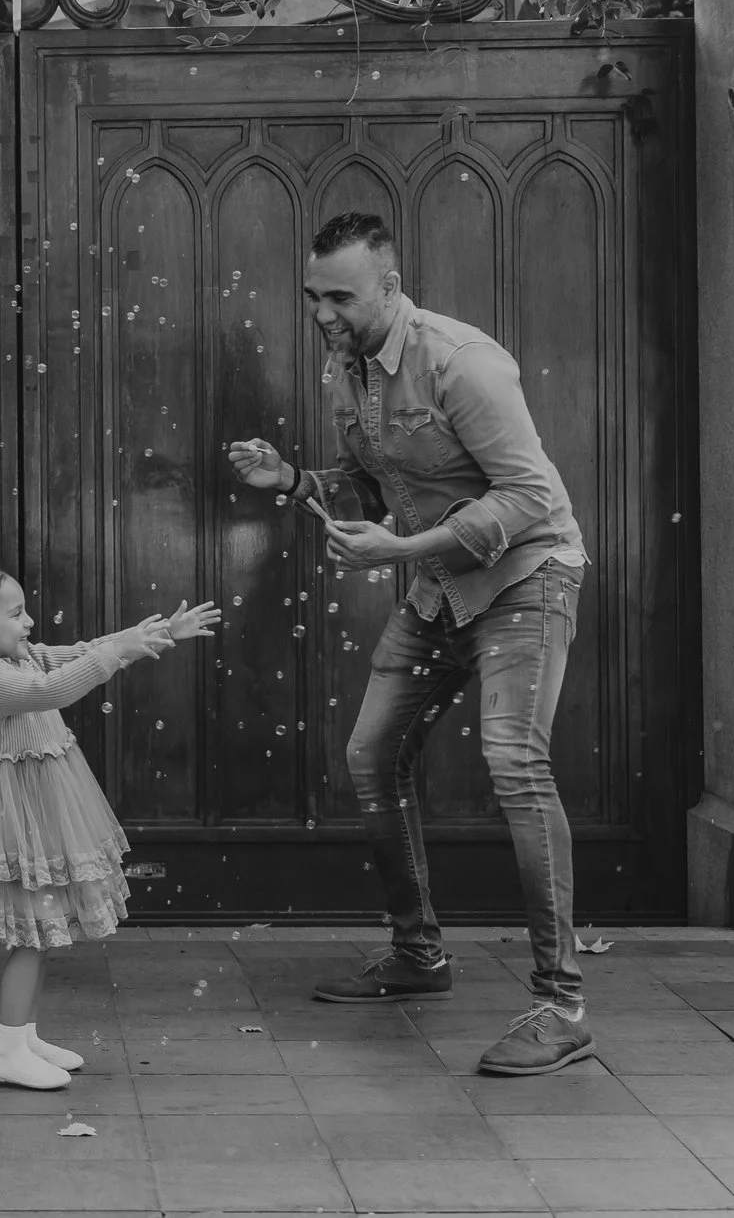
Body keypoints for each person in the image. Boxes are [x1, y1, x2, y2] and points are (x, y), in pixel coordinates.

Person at [224, 211, 595, 1077]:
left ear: (389, 287)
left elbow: (529, 499)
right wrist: (293, 480)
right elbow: (374, 482)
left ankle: (562, 1004)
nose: (323, 314)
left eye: (341, 297)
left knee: (515, 765)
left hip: (526, 580)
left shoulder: (463, 363)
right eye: (313, 296)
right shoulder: (345, 365)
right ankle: (419, 955)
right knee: (372, 755)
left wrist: (401, 550)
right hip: (439, 589)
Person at [0, 558, 220, 1089]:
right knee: (30, 932)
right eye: (16, 614)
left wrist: (152, 635)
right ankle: (7, 1050)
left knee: (42, 928)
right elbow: (55, 690)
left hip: (39, 807)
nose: (29, 622)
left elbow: (81, 652)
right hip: (15, 817)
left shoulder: (18, 655)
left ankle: (23, 1037)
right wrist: (119, 651)